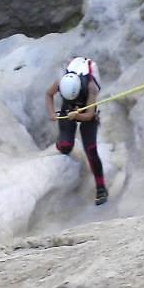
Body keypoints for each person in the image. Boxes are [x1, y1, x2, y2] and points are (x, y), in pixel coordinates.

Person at [45, 56, 109, 205]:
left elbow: (90, 115)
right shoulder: (62, 83)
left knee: (91, 150)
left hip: (86, 110)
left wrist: (77, 115)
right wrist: (52, 113)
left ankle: (101, 188)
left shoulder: (91, 88)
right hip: (69, 108)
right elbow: (48, 94)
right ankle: (61, 143)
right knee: (66, 146)